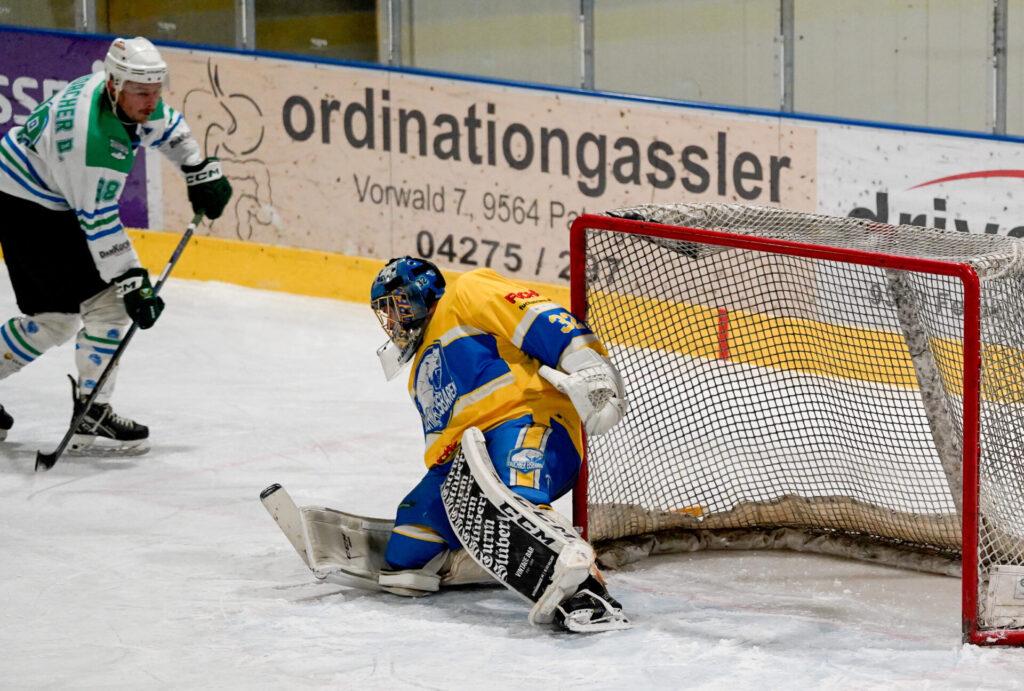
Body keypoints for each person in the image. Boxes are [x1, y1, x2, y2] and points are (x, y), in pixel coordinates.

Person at [369, 256, 630, 631]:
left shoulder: (465, 292)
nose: (392, 320)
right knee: (406, 551)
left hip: (529, 421)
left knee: (512, 499)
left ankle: (588, 592)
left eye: (395, 306)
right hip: (466, 465)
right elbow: (441, 444)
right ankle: (488, 559)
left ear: (419, 293)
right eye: (385, 313)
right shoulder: (417, 375)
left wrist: (590, 367)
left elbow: (540, 318)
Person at [0, 36, 232, 454]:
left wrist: (197, 169)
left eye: (156, 90)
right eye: (142, 93)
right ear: (114, 85)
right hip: (24, 203)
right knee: (56, 319)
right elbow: (98, 220)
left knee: (108, 305)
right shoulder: (92, 141)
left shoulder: (124, 93)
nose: (151, 101)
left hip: (53, 193)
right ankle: (92, 408)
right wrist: (133, 279)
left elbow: (167, 125)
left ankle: (93, 409)